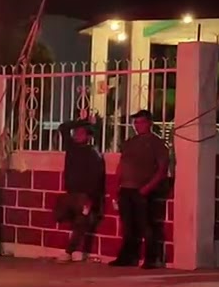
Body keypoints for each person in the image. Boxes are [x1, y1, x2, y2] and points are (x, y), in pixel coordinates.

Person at [110, 109, 171, 269]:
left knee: (147, 226)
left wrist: (147, 188)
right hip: (126, 189)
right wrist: (116, 185)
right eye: (136, 123)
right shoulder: (130, 142)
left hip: (143, 190)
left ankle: (151, 259)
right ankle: (127, 257)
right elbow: (121, 165)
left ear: (149, 123)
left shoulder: (156, 143)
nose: (138, 126)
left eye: (141, 122)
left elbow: (162, 169)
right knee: (128, 226)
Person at [54, 116, 105, 262]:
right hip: (71, 193)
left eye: (81, 133)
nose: (77, 135)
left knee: (81, 223)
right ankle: (74, 250)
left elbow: (97, 178)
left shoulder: (93, 153)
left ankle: (71, 251)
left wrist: (91, 198)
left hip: (85, 195)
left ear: (88, 136)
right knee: (62, 216)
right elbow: (63, 128)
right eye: (76, 132)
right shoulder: (72, 147)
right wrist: (80, 121)